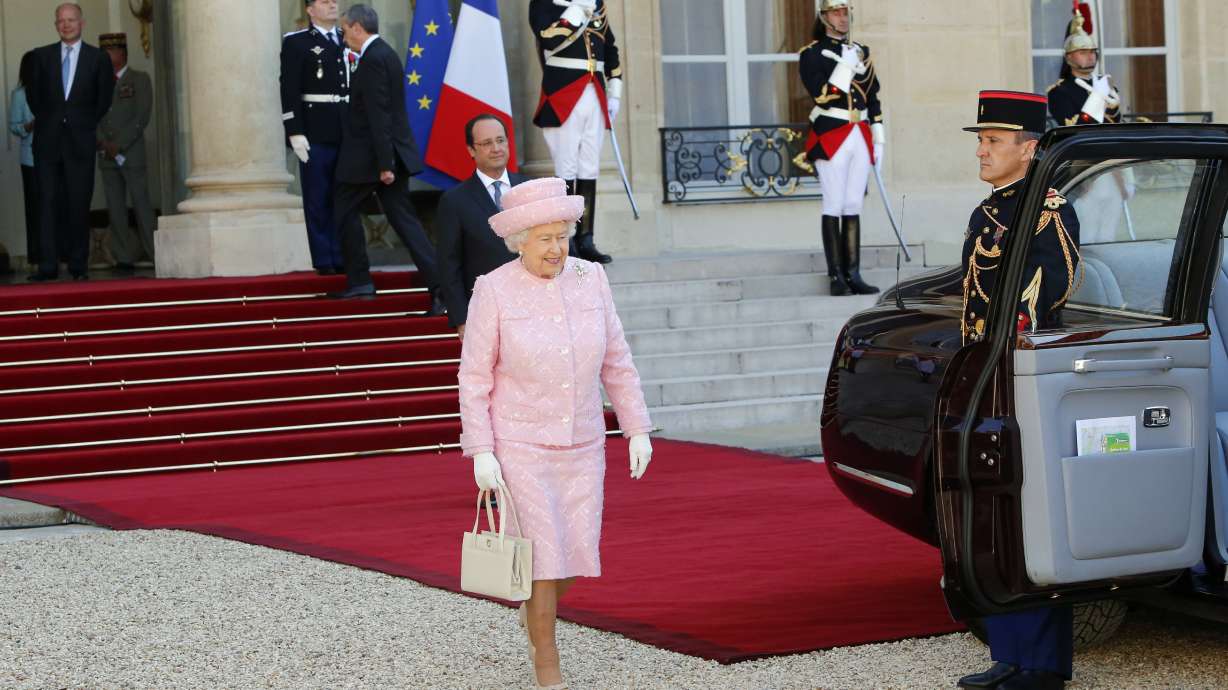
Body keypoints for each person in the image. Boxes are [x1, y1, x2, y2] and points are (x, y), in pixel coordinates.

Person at [457, 177, 653, 689]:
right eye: (544, 238)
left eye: (562, 236)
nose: (556, 248)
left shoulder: (592, 278)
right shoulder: (493, 289)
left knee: (576, 552)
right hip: (520, 442)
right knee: (544, 556)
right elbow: (474, 377)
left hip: (583, 440)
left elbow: (616, 359)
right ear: (519, 241)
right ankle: (547, 662)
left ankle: (534, 612)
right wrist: (481, 450)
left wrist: (636, 427)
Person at [957, 90, 1082, 690]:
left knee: (1031, 514)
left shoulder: (1047, 210)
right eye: (981, 140)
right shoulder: (989, 209)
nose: (982, 151)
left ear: (1029, 149)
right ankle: (1008, 652)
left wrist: (1000, 357)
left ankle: (1043, 664)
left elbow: (1049, 289)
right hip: (988, 377)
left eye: (994, 141)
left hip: (1022, 377)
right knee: (994, 514)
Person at [333, 4, 444, 314]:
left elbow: (379, 115)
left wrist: (385, 164)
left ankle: (360, 280)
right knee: (404, 221)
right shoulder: (383, 53)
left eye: (345, 30)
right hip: (384, 157)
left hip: (374, 160)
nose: (344, 37)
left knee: (342, 208)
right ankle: (441, 288)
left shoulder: (373, 59)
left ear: (357, 28)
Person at [798, 0, 885, 296]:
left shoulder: (862, 52)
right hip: (831, 133)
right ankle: (836, 276)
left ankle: (853, 274)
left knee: (853, 204)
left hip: (860, 133)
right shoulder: (812, 54)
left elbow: (872, 96)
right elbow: (822, 96)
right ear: (824, 17)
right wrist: (845, 66)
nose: (843, 18)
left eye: (846, 12)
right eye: (836, 12)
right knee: (834, 203)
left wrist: (879, 135)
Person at [25, 2, 115, 282]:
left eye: (71, 20)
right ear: (56, 25)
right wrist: (52, 119)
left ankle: (78, 265)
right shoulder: (40, 56)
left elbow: (103, 99)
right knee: (47, 203)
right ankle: (47, 266)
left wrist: (82, 122)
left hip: (81, 141)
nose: (66, 25)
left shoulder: (98, 58)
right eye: (61, 20)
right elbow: (34, 97)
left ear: (81, 23)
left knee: (79, 202)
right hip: (47, 142)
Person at [528, 0, 622, 264]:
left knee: (589, 168)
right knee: (566, 168)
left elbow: (610, 47)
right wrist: (577, 10)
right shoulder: (546, 2)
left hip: (596, 91)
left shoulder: (596, 3)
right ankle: (565, 237)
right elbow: (548, 37)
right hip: (564, 92)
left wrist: (615, 90)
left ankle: (586, 237)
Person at [1046, 7, 1133, 244]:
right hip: (1083, 169)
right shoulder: (1059, 91)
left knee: (1109, 235)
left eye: (1093, 52)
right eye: (1083, 52)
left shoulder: (1107, 86)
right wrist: (1098, 97)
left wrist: (1108, 100)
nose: (1090, 57)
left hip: (1111, 167)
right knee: (1086, 235)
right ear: (1069, 58)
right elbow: (1076, 127)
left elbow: (1115, 126)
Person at [435, 114, 526, 341]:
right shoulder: (454, 201)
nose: (496, 148)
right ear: (471, 150)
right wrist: (461, 318)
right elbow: (449, 265)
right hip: (486, 313)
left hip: (537, 306)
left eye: (500, 140)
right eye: (486, 143)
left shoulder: (531, 188)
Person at [281, 0, 349, 276]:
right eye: (324, 1)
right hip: (315, 132)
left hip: (347, 132)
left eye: (334, 1)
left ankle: (344, 255)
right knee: (318, 197)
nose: (332, 5)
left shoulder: (348, 38)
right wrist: (294, 131)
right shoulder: (297, 42)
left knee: (343, 197)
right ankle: (324, 258)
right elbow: (289, 88)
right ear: (310, 10)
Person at [96, 32, 156, 271]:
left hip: (131, 153)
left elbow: (142, 116)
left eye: (109, 52)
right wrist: (102, 142)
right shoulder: (98, 82)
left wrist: (119, 144)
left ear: (121, 53)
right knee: (115, 208)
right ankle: (123, 257)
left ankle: (154, 253)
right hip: (106, 155)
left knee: (141, 205)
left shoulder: (139, 79)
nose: (105, 57)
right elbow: (91, 115)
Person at [8, 52, 38, 270]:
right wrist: (28, 126)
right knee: (34, 209)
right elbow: (14, 125)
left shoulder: (51, 90)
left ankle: (58, 256)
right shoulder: (19, 94)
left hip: (54, 157)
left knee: (56, 208)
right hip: (30, 159)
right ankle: (36, 258)